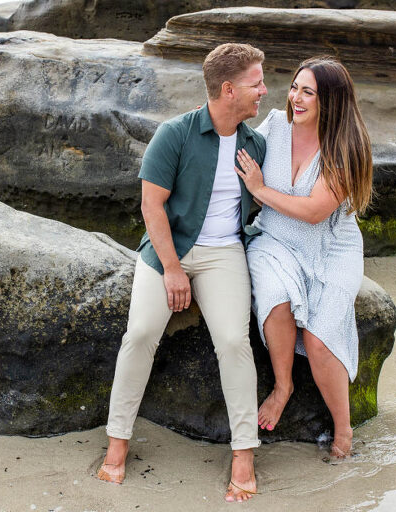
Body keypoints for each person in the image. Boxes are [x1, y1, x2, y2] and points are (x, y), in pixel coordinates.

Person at [97, 43, 268, 502]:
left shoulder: (255, 145)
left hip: (224, 254)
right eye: (256, 83)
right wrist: (172, 270)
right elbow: (151, 205)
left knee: (233, 341)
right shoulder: (174, 133)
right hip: (167, 251)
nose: (263, 91)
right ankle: (117, 443)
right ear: (228, 90)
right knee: (140, 333)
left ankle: (244, 453)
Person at [234, 56, 373, 458]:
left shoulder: (346, 148)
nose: (295, 97)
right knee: (275, 299)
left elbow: (314, 212)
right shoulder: (276, 125)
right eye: (294, 87)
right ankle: (283, 386)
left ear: (330, 101)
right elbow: (234, 147)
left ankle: (343, 429)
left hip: (331, 248)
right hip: (274, 238)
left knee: (319, 337)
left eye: (307, 92)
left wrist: (260, 190)